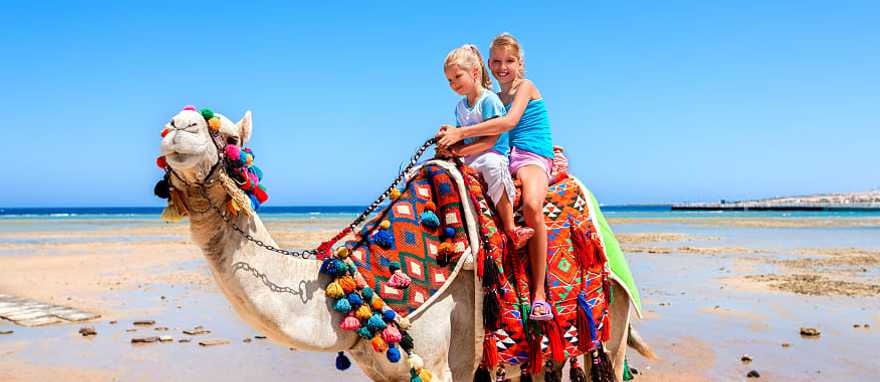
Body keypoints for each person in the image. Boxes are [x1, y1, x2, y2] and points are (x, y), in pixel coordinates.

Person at [437, 33, 554, 321]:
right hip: (507, 154)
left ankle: (539, 294)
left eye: (509, 61)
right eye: (497, 62)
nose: (503, 67)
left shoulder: (525, 87)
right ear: (488, 64)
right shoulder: (491, 98)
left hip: (530, 156)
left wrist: (461, 134)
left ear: (520, 63)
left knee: (531, 205)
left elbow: (509, 123)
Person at [442, 44, 534, 249]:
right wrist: (448, 142)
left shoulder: (489, 100)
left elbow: (492, 139)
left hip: (491, 153)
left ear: (474, 72)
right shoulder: (460, 107)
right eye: (449, 80)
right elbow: (461, 136)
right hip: (471, 155)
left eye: (457, 77)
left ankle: (511, 229)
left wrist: (460, 151)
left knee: (493, 167)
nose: (453, 84)